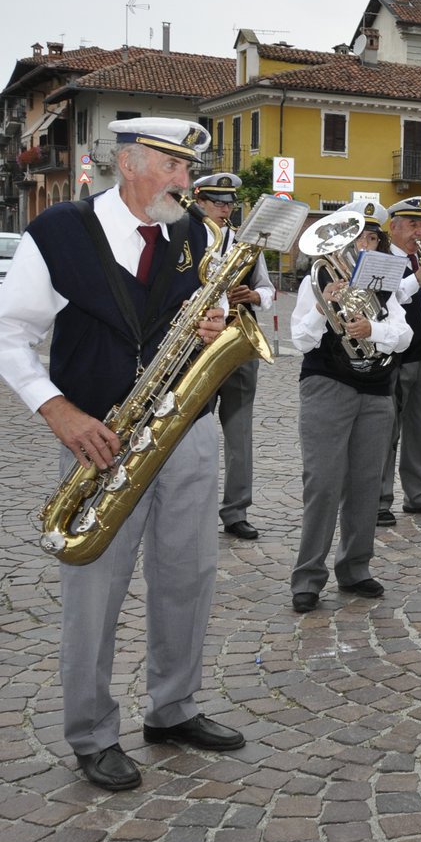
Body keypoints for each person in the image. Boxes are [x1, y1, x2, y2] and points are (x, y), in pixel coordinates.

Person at [0, 118, 245, 790]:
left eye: (189, 168)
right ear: (130, 161)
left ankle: (174, 708)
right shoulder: (59, 233)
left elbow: (211, 305)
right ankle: (91, 732)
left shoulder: (194, 233)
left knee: (188, 578)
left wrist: (217, 317)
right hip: (98, 439)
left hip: (185, 427)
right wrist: (58, 410)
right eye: (173, 165)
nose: (185, 182)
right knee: (93, 592)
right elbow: (9, 332)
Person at [288, 201, 412, 614]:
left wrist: (371, 328)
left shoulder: (383, 284)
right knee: (322, 482)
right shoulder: (317, 279)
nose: (363, 245)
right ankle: (307, 577)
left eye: (371, 238)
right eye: (357, 238)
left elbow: (404, 334)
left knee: (366, 483)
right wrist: (326, 308)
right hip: (328, 385)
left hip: (377, 389)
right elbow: (301, 340)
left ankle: (355, 568)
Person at [192, 172, 276, 541]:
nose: (225, 210)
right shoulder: (187, 241)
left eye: (229, 204)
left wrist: (254, 297)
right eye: (218, 203)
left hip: (238, 337)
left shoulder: (245, 244)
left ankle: (236, 510)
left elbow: (268, 289)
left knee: (239, 433)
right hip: (197, 344)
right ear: (200, 203)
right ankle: (190, 504)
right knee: (193, 429)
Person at [378, 196, 421, 524]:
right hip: (395, 358)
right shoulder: (383, 259)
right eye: (413, 225)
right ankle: (380, 499)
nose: (420, 232)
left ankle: (417, 494)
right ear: (394, 227)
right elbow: (393, 296)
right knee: (388, 432)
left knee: (419, 432)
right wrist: (420, 274)